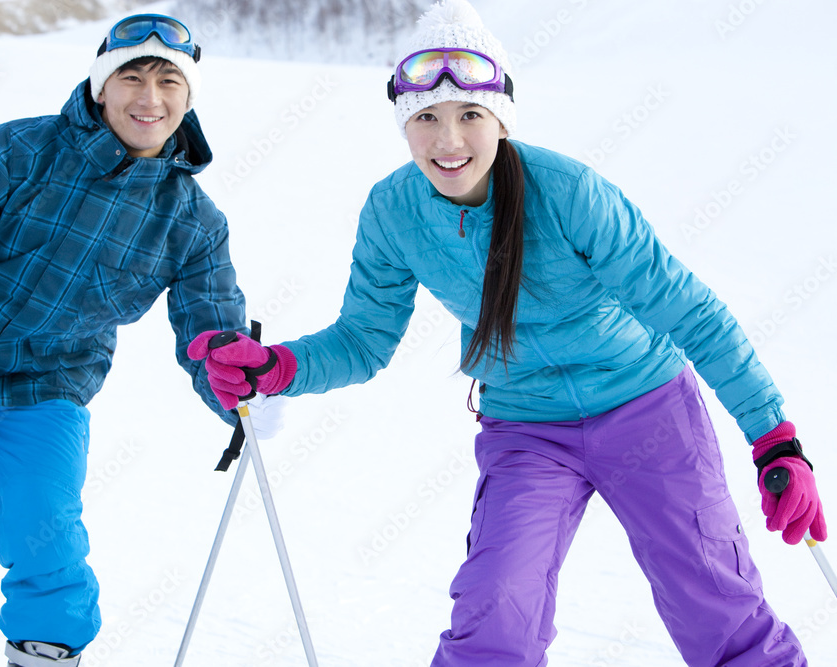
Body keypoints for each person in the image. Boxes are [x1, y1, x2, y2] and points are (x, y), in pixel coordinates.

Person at [187, 1, 828, 665]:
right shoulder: (393, 211)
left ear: (501, 117)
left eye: (469, 115)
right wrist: (277, 366)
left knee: (715, 603)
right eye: (426, 118)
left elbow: (692, 312)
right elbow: (363, 340)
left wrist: (775, 439)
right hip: (528, 427)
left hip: (646, 406)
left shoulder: (571, 193)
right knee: (496, 611)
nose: (447, 140)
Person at [0, 13, 256, 667]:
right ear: (100, 86)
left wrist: (241, 391)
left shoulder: (193, 222)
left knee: (44, 522)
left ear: (188, 94)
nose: (149, 98)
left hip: (47, 381)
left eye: (168, 80)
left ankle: (48, 647)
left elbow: (212, 327)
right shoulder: (15, 152)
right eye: (132, 77)